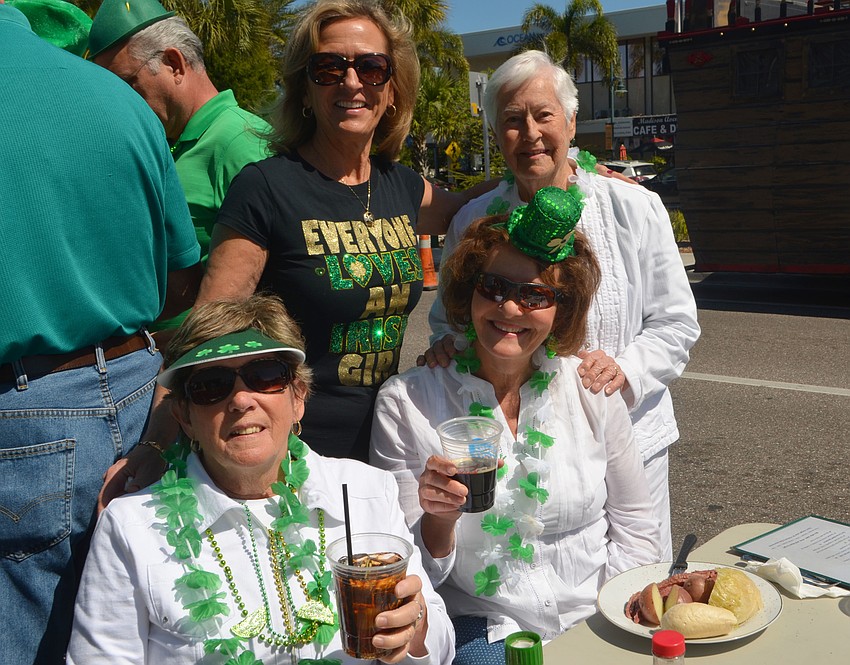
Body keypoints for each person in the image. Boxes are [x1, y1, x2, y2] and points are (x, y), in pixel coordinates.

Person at [67, 295, 454, 665]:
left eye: (265, 376)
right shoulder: (131, 528)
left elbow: (438, 649)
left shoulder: (366, 491)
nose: (240, 401)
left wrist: (413, 629)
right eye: (211, 386)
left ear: (298, 397)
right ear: (184, 418)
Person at [195, 0, 497, 463]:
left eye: (372, 68)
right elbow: (209, 331)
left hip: (394, 440)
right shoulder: (266, 188)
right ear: (304, 89)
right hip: (296, 453)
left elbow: (479, 207)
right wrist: (160, 445)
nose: (352, 82)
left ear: (392, 89)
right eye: (329, 68)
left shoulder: (400, 185)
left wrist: (573, 170)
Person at [426, 50, 700, 559]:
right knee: (533, 570)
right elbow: (450, 319)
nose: (528, 132)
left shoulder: (633, 207)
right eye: (511, 120)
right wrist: (447, 346)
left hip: (632, 436)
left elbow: (675, 322)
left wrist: (625, 368)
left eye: (543, 115)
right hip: (521, 443)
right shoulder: (473, 220)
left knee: (636, 577)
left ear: (571, 122)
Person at [371, 188, 661, 663]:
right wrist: (439, 520)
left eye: (535, 295)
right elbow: (412, 577)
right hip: (486, 627)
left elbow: (636, 524)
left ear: (559, 309)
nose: (510, 309)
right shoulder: (407, 403)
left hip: (597, 612)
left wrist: (622, 613)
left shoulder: (590, 389)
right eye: (495, 287)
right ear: (469, 293)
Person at [0, 3, 201, 663]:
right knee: (160, 627)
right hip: (146, 392)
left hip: (26, 415)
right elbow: (179, 276)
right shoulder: (123, 104)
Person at [88, 0, 271, 264]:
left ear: (174, 64)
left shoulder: (243, 141)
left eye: (127, 84)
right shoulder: (166, 141)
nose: (119, 103)